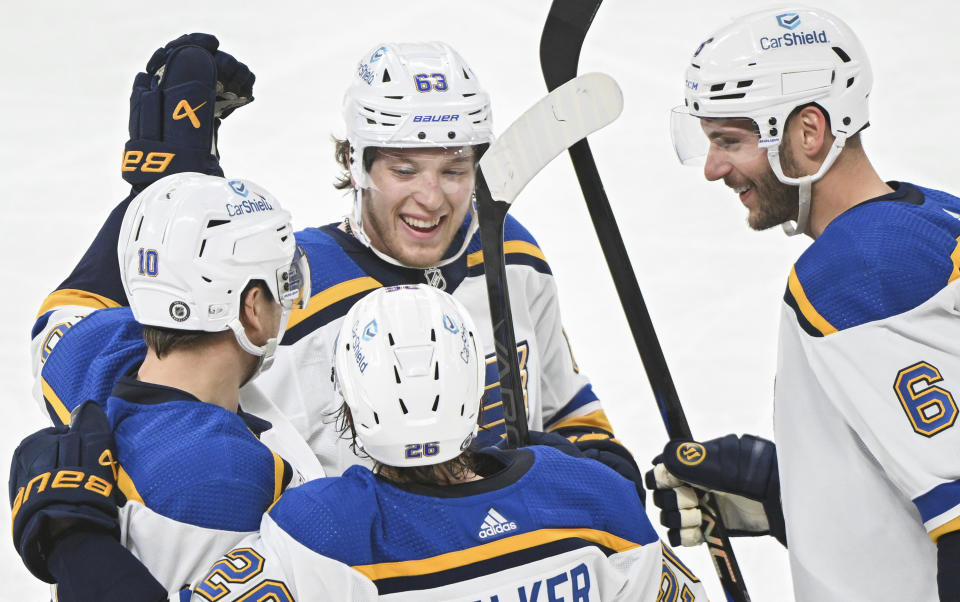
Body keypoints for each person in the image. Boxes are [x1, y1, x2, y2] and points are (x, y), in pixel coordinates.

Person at [32, 39, 643, 490]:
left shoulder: (513, 253)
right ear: (356, 163)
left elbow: (566, 406)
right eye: (404, 169)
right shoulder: (277, 286)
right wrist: (158, 200)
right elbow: (141, 397)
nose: (432, 198)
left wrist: (605, 471)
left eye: (455, 169)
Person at [12, 285, 707, 601]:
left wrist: (77, 541)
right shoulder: (592, 498)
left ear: (344, 403)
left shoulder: (326, 530)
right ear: (478, 389)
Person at [647, 6, 960, 601]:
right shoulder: (930, 218)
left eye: (730, 141)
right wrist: (778, 490)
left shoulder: (855, 276)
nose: (714, 168)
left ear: (809, 131)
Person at [15, 171, 317, 598]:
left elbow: (66, 312)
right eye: (283, 284)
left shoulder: (85, 360)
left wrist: (154, 187)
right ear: (251, 309)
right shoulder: (234, 478)